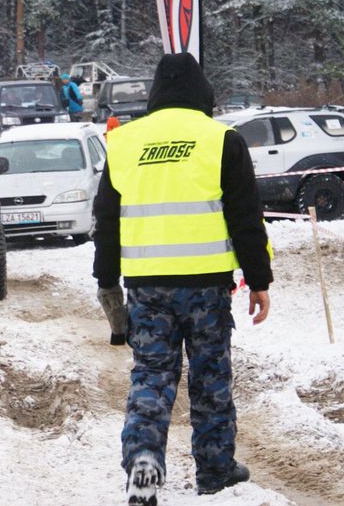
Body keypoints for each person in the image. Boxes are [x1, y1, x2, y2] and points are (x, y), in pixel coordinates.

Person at [92, 53, 272, 504]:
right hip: (207, 287)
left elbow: (106, 220)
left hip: (148, 288)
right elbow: (246, 217)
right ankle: (215, 470)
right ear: (201, 90)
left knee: (151, 376)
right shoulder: (221, 140)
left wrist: (107, 280)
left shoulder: (124, 143)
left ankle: (144, 461)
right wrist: (259, 279)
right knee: (210, 378)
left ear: (155, 92)